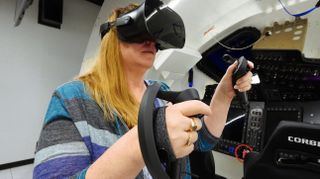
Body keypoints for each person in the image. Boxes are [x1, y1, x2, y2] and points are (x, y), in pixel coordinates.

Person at [33, 3, 253, 179]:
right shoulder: (71, 98)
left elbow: (203, 140)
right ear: (112, 37)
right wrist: (147, 139)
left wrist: (225, 94)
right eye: (138, 33)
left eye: (155, 36)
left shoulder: (162, 93)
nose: (150, 41)